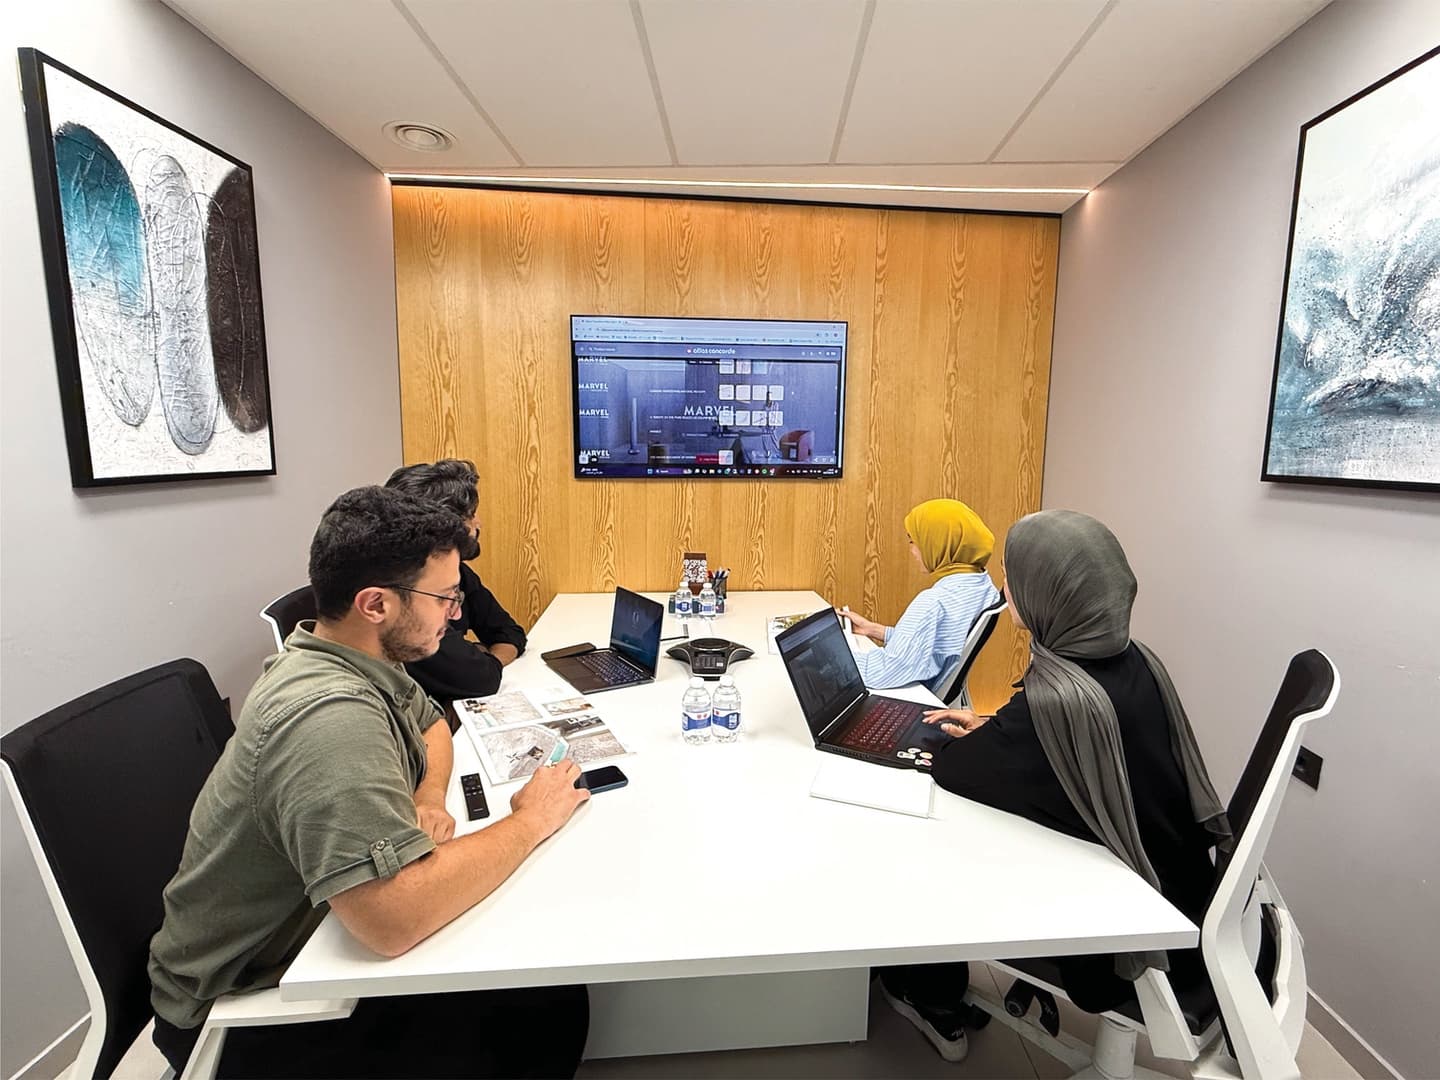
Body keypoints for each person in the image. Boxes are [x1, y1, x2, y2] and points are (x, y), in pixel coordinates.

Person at [148, 487, 591, 1078]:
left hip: (311, 942)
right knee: (544, 1010)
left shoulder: (348, 655)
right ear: (376, 604)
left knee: (544, 989)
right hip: (243, 1015)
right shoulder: (330, 719)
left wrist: (425, 798)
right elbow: (391, 920)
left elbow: (433, 726)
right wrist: (530, 821)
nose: (455, 614)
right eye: (443, 598)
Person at [878, 510, 1232, 1062]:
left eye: (1014, 580)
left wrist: (980, 737)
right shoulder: (1134, 661)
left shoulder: (1056, 705)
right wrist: (1002, 730)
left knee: (924, 851)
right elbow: (1042, 754)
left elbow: (953, 768)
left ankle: (923, 989)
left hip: (1132, 944)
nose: (1003, 590)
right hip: (1192, 903)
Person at [385, 458, 526, 700]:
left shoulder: (456, 573)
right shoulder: (406, 600)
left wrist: (482, 657)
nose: (478, 523)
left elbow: (509, 633)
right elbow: (481, 679)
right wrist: (481, 660)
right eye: (471, 515)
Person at [838, 498, 1001, 693]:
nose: (912, 550)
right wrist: (875, 630)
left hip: (910, 697)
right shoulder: (982, 585)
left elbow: (882, 673)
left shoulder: (934, 602)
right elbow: (937, 644)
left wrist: (833, 655)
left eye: (913, 541)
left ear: (937, 543)